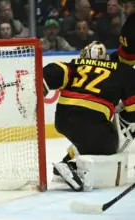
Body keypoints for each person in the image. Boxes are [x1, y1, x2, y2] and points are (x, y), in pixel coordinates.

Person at [43, 41, 135, 191]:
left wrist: (42, 81)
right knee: (111, 145)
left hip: (63, 119)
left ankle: (65, 163)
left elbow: (56, 69)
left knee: (87, 138)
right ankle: (72, 165)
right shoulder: (121, 71)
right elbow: (133, 112)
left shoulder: (75, 65)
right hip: (94, 122)